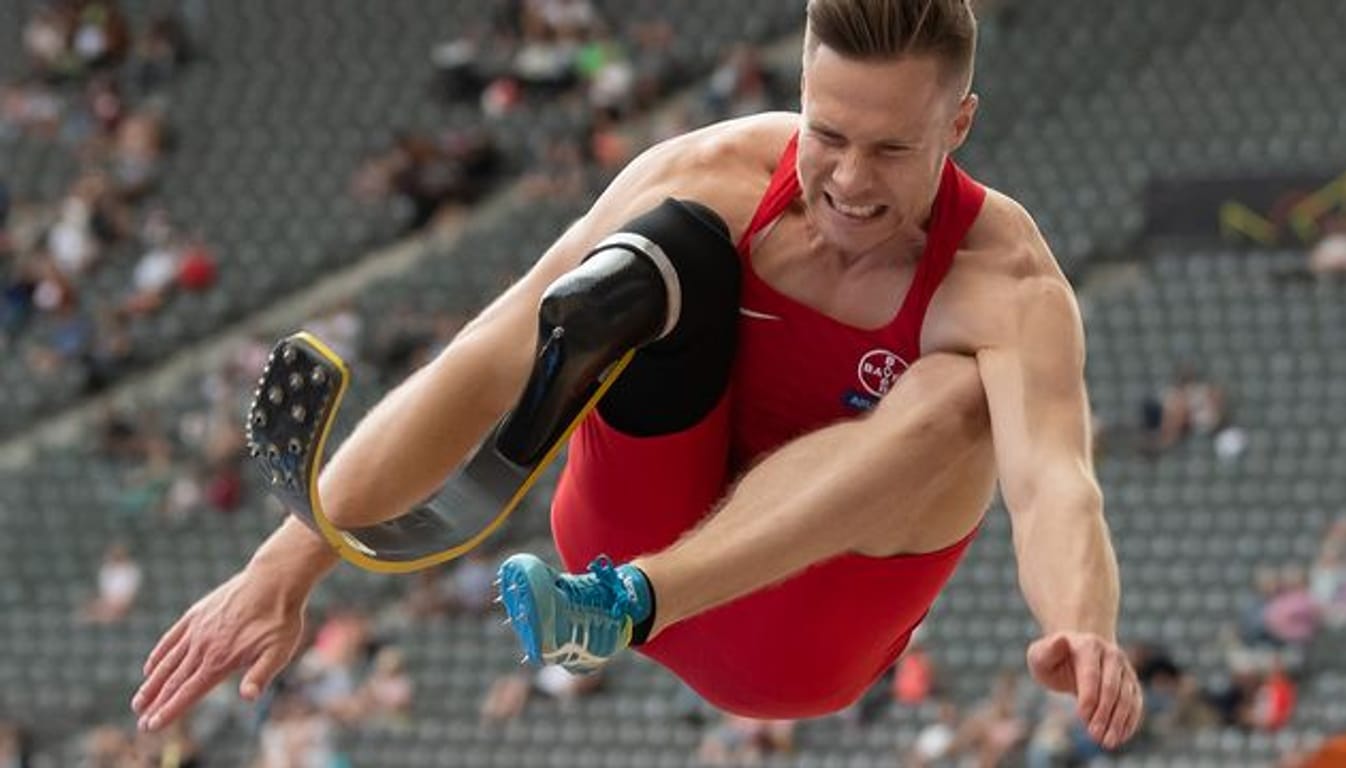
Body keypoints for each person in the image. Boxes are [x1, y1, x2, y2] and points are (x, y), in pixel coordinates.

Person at [133, 0, 1142, 750]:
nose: (846, 180)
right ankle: (611, 360)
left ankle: (622, 603)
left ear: (958, 127)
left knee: (962, 395)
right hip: (625, 525)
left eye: (891, 150)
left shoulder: (1004, 281)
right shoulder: (711, 168)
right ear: (797, 95)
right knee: (657, 256)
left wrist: (1080, 630)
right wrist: (286, 566)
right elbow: (492, 348)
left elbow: (1054, 482)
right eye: (827, 135)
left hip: (796, 635)